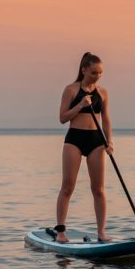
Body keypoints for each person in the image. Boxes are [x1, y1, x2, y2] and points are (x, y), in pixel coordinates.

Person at [52, 51, 113, 244]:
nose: (97, 76)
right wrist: (79, 105)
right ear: (84, 69)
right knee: (67, 187)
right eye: (94, 72)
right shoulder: (70, 90)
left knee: (99, 189)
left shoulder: (102, 92)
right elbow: (62, 118)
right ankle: (61, 231)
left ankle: (101, 232)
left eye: (100, 73)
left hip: (96, 141)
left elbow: (107, 120)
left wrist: (109, 142)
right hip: (75, 139)